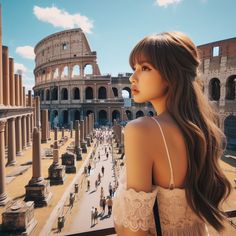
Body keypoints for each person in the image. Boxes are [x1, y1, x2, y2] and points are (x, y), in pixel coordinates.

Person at [112, 32, 232, 236]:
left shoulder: (141, 130)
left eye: (145, 68)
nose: (133, 77)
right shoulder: (202, 130)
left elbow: (135, 232)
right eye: (135, 69)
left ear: (171, 75)